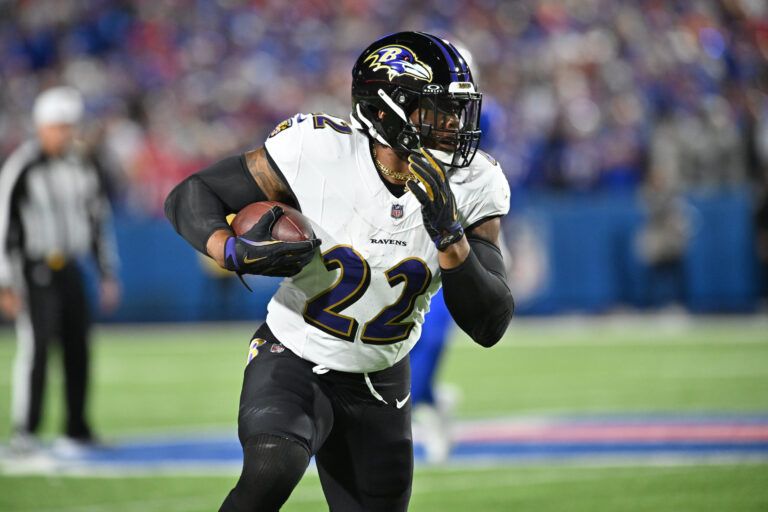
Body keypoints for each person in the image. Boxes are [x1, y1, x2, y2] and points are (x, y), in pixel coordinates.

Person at [165, 31, 513, 511]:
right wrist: (229, 251)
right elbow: (192, 193)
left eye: (457, 110)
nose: (454, 124)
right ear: (388, 110)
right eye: (436, 110)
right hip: (294, 352)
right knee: (272, 467)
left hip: (381, 376)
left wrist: (450, 237)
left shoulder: (476, 184)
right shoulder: (318, 151)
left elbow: (490, 323)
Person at [0, 86, 120, 453]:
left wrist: (106, 273)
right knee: (36, 348)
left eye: (69, 126)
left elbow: (98, 220)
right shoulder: (23, 165)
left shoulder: (82, 165)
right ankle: (26, 429)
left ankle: (76, 427)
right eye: (58, 126)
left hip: (71, 266)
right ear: (41, 126)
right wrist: (4, 281)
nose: (65, 133)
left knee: (78, 347)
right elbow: (5, 224)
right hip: (35, 267)